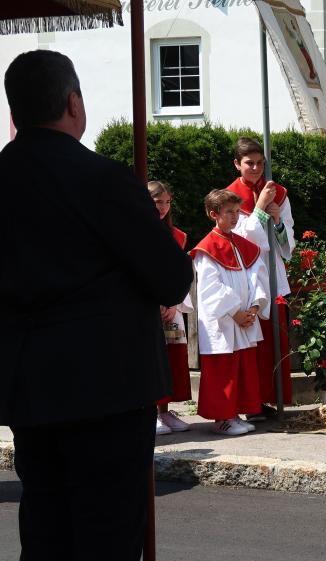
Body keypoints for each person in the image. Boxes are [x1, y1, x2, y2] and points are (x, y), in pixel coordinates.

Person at [1, 50, 193, 560]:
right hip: (107, 385)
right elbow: (170, 278)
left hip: (29, 385)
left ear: (14, 114)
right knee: (106, 534)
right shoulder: (103, 179)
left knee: (44, 525)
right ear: (73, 103)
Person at [189, 189, 270, 436]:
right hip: (223, 322)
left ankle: (233, 414)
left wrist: (254, 308)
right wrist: (235, 313)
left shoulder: (243, 245)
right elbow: (211, 288)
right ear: (214, 214)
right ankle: (221, 419)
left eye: (237, 212)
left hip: (244, 318)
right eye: (229, 212)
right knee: (223, 369)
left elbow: (257, 276)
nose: (235, 217)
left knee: (241, 366)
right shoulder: (207, 248)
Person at [226, 137, 295, 419]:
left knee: (274, 341)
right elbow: (241, 238)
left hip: (272, 272)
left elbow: (285, 238)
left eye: (259, 163)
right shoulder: (229, 195)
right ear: (237, 164)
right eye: (249, 163)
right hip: (247, 274)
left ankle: (271, 397)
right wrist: (259, 210)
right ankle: (250, 404)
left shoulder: (277, 192)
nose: (255, 168)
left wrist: (277, 220)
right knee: (252, 341)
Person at [148, 180, 194, 435]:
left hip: (171, 307)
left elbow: (180, 273)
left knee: (172, 358)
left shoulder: (178, 236)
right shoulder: (137, 231)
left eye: (167, 202)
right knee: (152, 357)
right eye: (157, 202)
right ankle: (151, 411)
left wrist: (174, 302)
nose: (163, 207)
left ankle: (165, 412)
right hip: (150, 306)